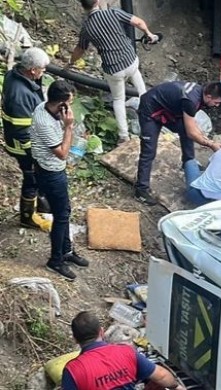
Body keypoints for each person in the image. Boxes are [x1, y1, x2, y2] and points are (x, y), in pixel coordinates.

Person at [69, 0, 158, 144]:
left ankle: (123, 136)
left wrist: (69, 64)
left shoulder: (86, 28)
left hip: (113, 69)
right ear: (97, 1)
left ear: (82, 6)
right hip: (130, 60)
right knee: (142, 89)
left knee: (118, 99)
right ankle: (152, 119)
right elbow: (138, 22)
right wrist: (149, 34)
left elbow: (80, 49)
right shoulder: (113, 13)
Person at [29, 81, 90, 281]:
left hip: (52, 171)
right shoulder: (45, 122)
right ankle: (56, 260)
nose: (70, 108)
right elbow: (63, 153)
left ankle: (67, 250)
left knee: (63, 212)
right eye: (69, 103)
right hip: (50, 173)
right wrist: (69, 127)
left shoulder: (46, 107)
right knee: (61, 216)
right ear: (60, 104)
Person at [134, 81, 221, 206]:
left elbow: (192, 124)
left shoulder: (200, 94)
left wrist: (204, 137)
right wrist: (211, 144)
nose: (216, 106)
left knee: (184, 129)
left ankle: (188, 163)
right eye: (216, 102)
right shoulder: (191, 100)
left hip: (167, 110)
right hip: (150, 110)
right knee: (149, 151)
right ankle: (141, 190)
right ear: (209, 97)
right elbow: (192, 133)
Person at [62, 311, 186, 390]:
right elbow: (162, 376)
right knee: (157, 382)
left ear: (75, 339)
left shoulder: (73, 370)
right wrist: (176, 386)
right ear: (102, 332)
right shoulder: (125, 352)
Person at [1, 47, 52, 232]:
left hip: (21, 140)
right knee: (31, 178)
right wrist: (36, 151)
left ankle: (40, 204)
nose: (44, 72)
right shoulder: (19, 95)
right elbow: (22, 129)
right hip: (23, 146)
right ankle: (27, 217)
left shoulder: (14, 76)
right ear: (32, 70)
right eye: (42, 69)